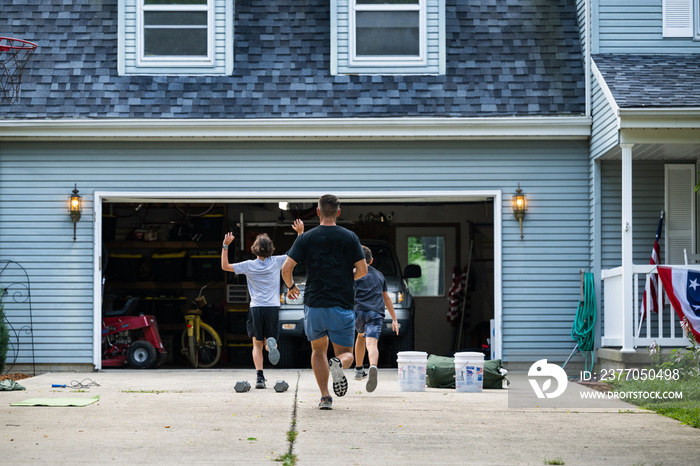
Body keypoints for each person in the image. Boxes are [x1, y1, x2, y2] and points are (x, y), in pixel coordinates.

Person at [281, 194, 367, 410]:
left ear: (318, 212)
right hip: (342, 304)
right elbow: (363, 270)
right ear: (338, 212)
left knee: (318, 350)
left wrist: (291, 287)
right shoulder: (350, 237)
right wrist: (349, 278)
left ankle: (325, 397)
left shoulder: (306, 238)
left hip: (315, 304)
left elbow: (286, 269)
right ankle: (339, 365)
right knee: (345, 353)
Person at [221, 219, 303, 389]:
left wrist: (225, 246)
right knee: (269, 340)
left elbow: (225, 266)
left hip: (256, 308)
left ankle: (259, 377)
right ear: (271, 249)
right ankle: (270, 344)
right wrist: (300, 233)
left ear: (255, 249)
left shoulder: (248, 265)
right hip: (272, 307)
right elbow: (296, 253)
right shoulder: (277, 261)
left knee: (256, 344)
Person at [353, 245, 399, 393]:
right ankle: (373, 366)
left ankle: (359, 370)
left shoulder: (353, 274)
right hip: (375, 313)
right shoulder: (379, 275)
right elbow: (386, 298)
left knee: (360, 337)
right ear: (371, 260)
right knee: (372, 344)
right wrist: (394, 319)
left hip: (358, 313)